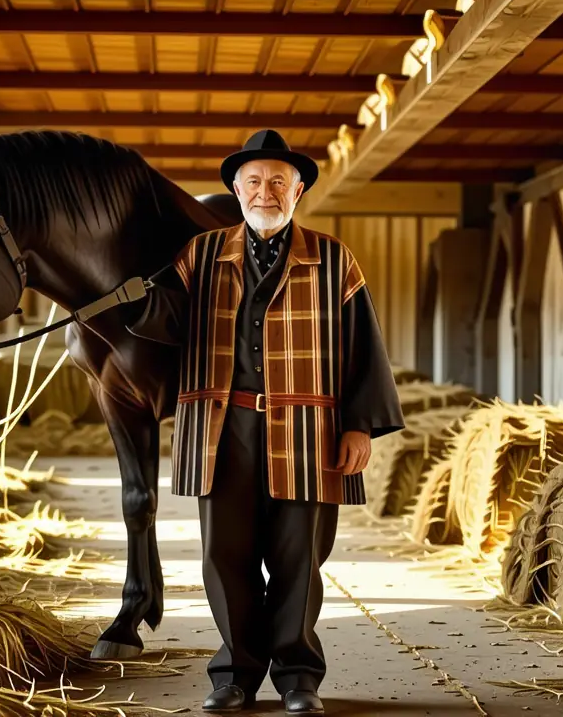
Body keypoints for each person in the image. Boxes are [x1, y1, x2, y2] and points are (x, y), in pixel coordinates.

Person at [129, 129, 404, 715]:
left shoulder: (333, 259)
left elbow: (365, 347)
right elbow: (161, 322)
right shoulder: (198, 257)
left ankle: (299, 677)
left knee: (299, 558)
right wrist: (118, 290)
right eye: (253, 181)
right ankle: (234, 674)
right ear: (236, 188)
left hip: (310, 432)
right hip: (219, 431)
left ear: (298, 188)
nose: (265, 191)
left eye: (279, 181)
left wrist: (360, 425)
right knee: (223, 558)